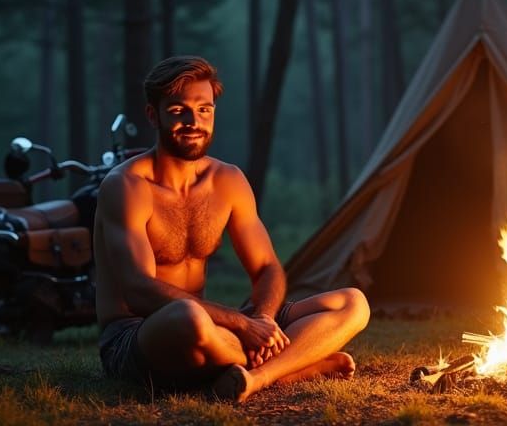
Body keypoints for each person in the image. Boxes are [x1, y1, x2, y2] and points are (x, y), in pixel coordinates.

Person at [93, 55, 369, 402]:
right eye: (179, 110)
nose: (194, 121)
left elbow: (268, 268)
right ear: (154, 115)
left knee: (353, 302)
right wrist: (242, 325)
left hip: (215, 329)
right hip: (136, 335)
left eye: (204, 109)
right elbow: (139, 291)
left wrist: (264, 319)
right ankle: (297, 363)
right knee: (188, 316)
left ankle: (257, 378)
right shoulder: (126, 186)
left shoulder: (228, 181)